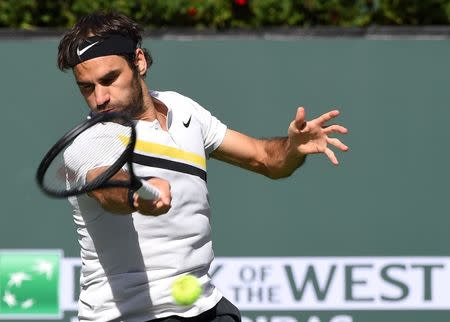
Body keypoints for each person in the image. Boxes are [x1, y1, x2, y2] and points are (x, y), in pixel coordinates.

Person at [57, 11, 348, 322]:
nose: (100, 97)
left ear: (138, 61)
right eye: (86, 87)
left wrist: (292, 148)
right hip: (126, 316)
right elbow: (106, 187)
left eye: (109, 79)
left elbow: (265, 159)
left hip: (203, 306)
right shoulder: (89, 140)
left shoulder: (183, 110)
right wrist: (136, 197)